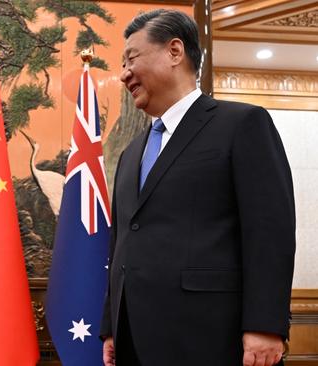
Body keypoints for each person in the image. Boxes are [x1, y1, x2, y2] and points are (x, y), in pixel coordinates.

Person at [100, 9, 295, 366]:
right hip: (134, 339)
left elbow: (270, 232)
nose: (123, 73)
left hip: (212, 338)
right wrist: (111, 325)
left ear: (175, 52)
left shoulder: (242, 124)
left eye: (131, 58)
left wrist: (266, 324)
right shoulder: (130, 153)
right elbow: (122, 241)